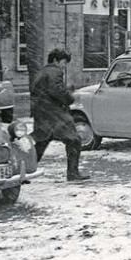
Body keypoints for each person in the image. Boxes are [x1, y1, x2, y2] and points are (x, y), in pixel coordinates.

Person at [31, 48, 88, 181]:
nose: (64, 65)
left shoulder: (42, 71)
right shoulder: (55, 71)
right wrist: (69, 98)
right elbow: (56, 91)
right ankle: (73, 173)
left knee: (41, 142)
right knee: (74, 140)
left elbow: (38, 91)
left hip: (42, 113)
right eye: (63, 62)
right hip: (55, 114)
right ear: (56, 60)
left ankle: (26, 171)